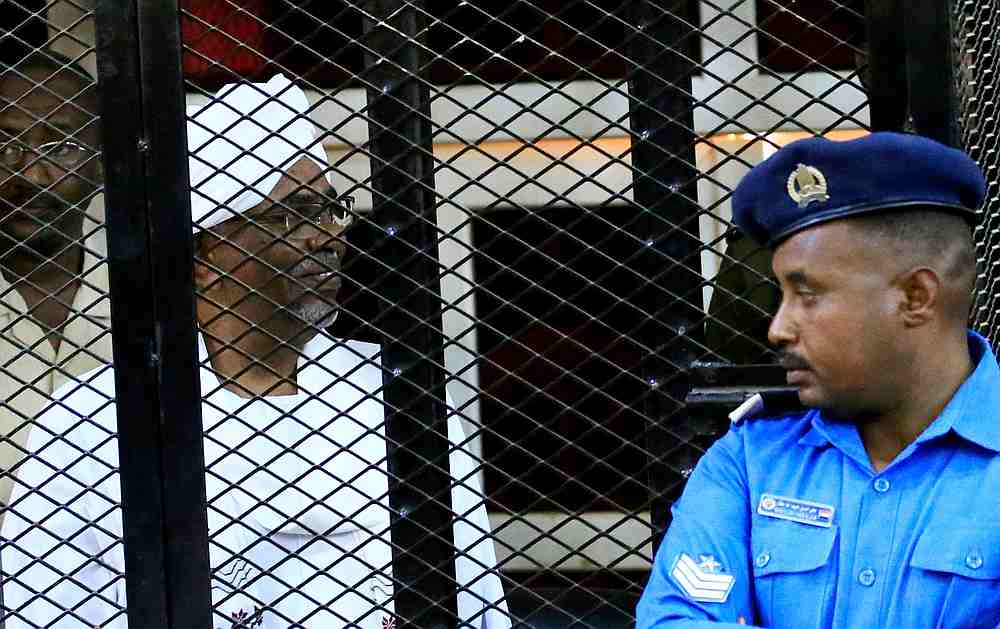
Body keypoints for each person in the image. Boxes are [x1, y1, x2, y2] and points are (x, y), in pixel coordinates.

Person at [1, 74, 510, 629]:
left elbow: (478, 607)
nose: (326, 236)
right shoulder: (96, 419)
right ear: (202, 255)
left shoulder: (396, 397)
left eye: (331, 210)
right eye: (292, 215)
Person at [636, 132, 1000, 628]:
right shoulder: (749, 461)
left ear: (916, 296)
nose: (778, 328)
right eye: (781, 294)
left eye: (807, 295)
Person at [0, 50, 110, 509]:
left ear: (103, 161)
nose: (27, 172)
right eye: (3, 145)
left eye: (60, 146)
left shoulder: (162, 293)